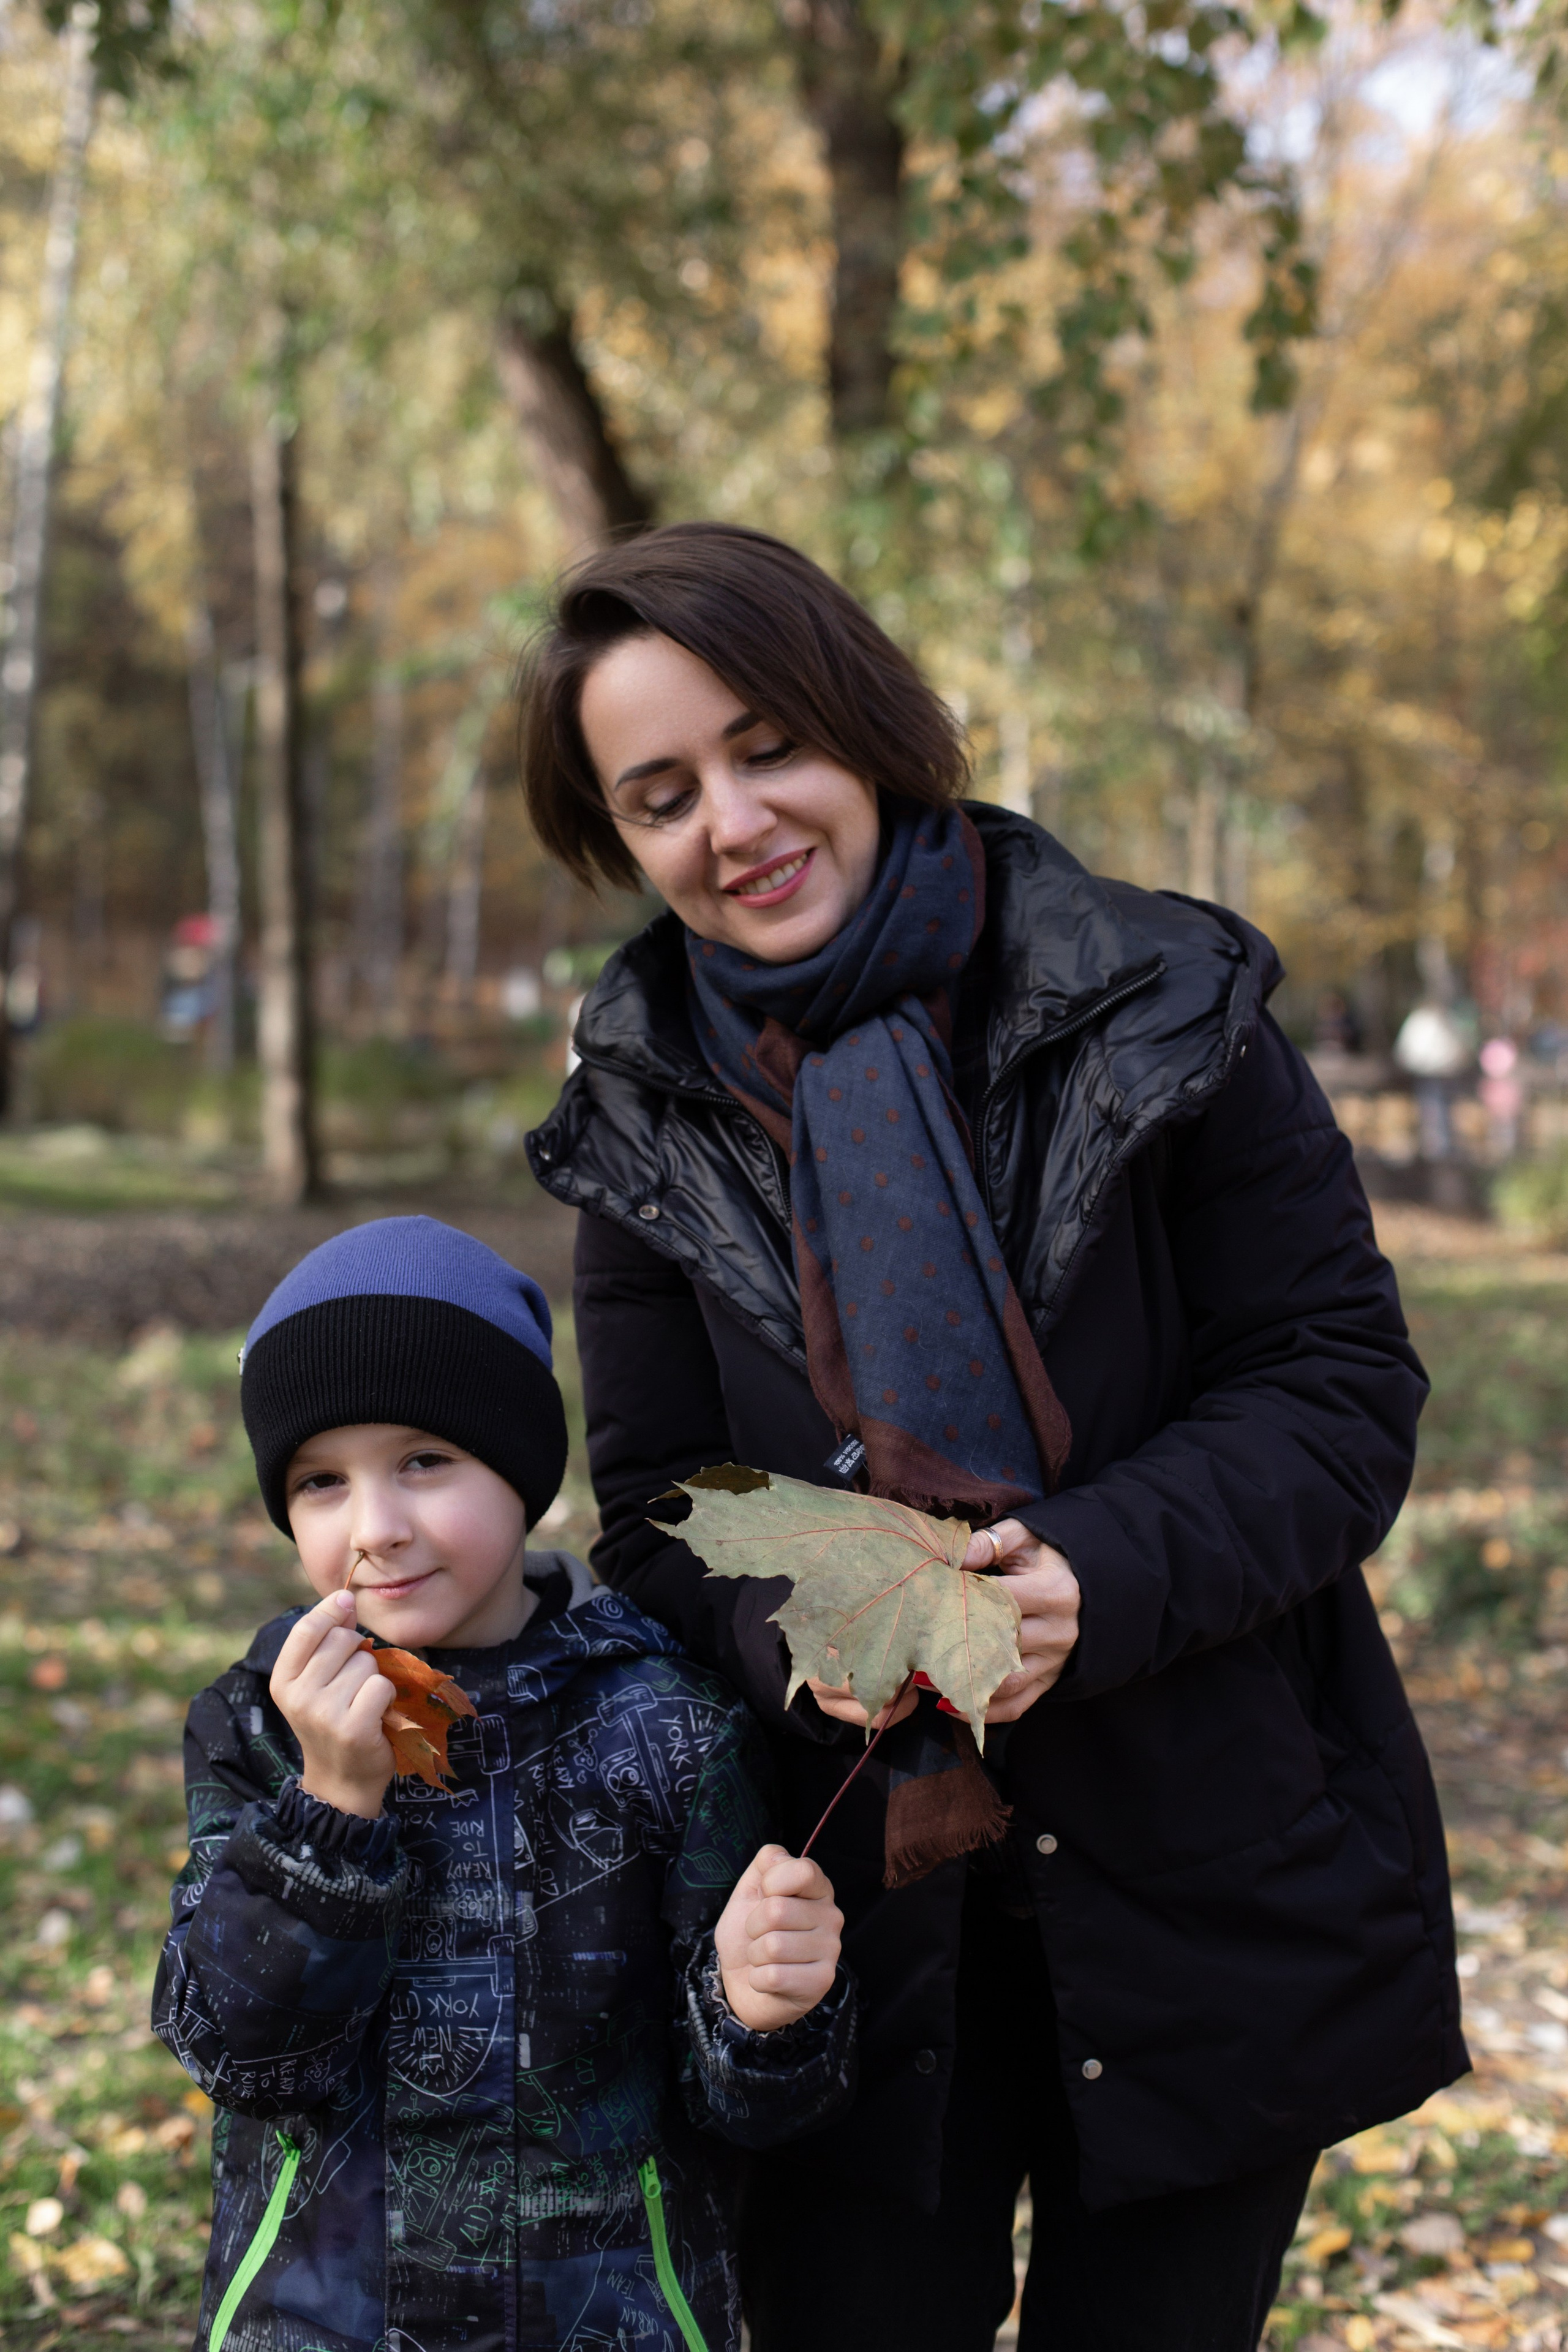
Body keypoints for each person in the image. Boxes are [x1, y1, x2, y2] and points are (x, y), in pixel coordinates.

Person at [518, 523, 1468, 2352]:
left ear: (864, 722)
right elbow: (655, 1507)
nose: (733, 822)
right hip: (850, 1921)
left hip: (1202, 1873)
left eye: (765, 742)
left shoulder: (1161, 1001)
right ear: (618, 842)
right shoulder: (639, 1108)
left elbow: (1336, 1389)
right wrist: (815, 1629)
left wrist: (1085, 1580)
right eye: (659, 796)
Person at [152, 1215, 854, 2352]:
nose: (375, 1528)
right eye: (322, 1481)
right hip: (321, 2323)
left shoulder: (666, 1723)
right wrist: (330, 1812)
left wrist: (762, 2014)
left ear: (522, 1469)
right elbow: (235, 2050)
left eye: (426, 1461)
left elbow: (759, 2112)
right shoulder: (258, 1723)